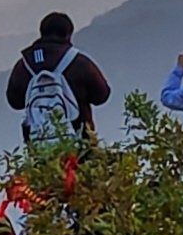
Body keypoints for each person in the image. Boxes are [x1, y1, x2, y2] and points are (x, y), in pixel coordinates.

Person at [9, 14, 115, 148]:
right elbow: (102, 96)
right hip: (81, 144)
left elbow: (14, 102)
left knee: (45, 168)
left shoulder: (24, 65)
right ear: (68, 34)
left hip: (40, 147)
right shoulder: (79, 62)